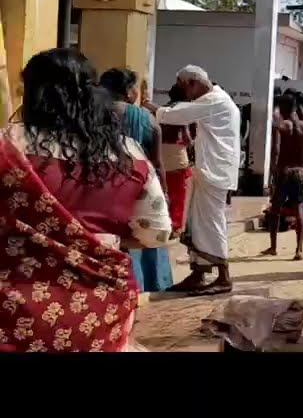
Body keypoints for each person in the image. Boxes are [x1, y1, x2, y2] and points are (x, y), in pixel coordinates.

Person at [1, 48, 170, 352]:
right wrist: (96, 240)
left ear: (32, 92)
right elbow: (157, 232)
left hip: (13, 311)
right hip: (99, 313)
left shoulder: (6, 147)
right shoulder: (128, 154)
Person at [154, 65, 241, 296]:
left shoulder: (216, 101)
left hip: (214, 173)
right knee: (196, 223)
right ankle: (198, 273)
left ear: (192, 83)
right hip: (208, 172)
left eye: (184, 87)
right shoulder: (216, 100)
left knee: (211, 224)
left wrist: (146, 106)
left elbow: (176, 116)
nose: (186, 94)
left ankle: (223, 275)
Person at [100, 66, 171, 293]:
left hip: (103, 188)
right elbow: (157, 163)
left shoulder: (90, 114)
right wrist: (164, 194)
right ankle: (148, 285)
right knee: (144, 240)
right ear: (129, 90)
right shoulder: (147, 119)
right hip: (140, 187)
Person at [262, 93, 303, 260]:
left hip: (283, 170)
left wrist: (272, 173)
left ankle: (273, 247)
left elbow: (276, 150)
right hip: (300, 171)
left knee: (275, 209)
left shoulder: (280, 126)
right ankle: (298, 249)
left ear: (282, 108)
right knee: (299, 208)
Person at [159, 83, 195, 235]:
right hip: (177, 156)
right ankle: (175, 226)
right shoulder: (183, 112)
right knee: (178, 194)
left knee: (163, 191)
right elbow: (186, 138)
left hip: (161, 154)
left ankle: (163, 222)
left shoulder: (162, 110)